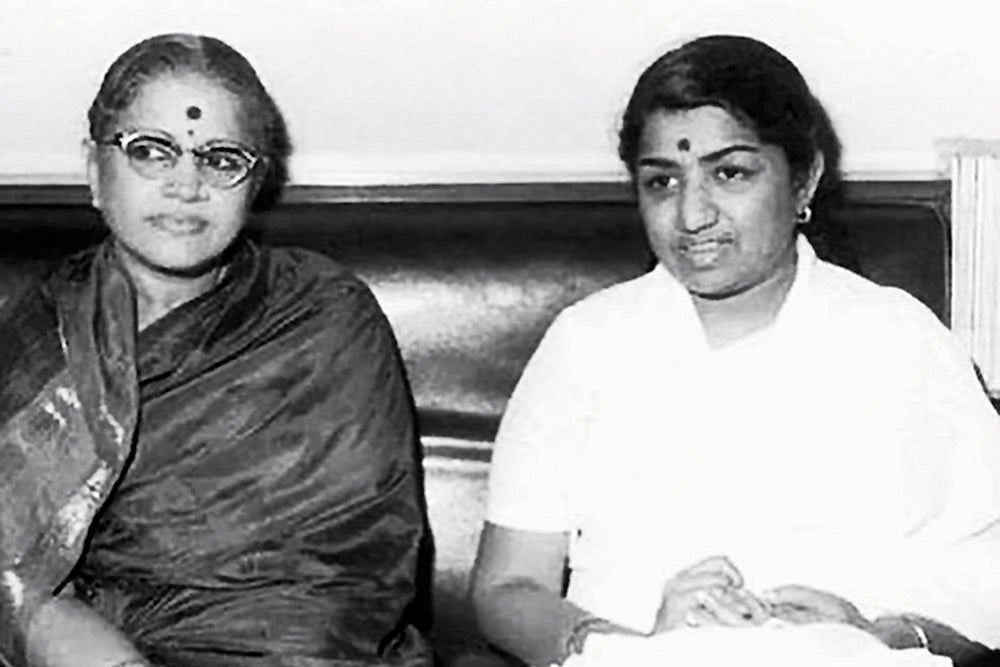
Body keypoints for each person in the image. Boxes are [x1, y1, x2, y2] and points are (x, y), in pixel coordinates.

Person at [471, 35, 1000, 667]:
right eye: (662, 182)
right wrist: (620, 647)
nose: (692, 214)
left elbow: (987, 572)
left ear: (804, 178)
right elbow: (509, 587)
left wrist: (880, 632)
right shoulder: (587, 344)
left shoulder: (900, 340)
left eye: (730, 173)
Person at [0, 33, 431, 667]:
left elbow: (350, 577)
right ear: (95, 170)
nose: (187, 183)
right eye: (151, 151)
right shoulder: (39, 335)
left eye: (222, 159)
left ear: (254, 185)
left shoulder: (323, 316)